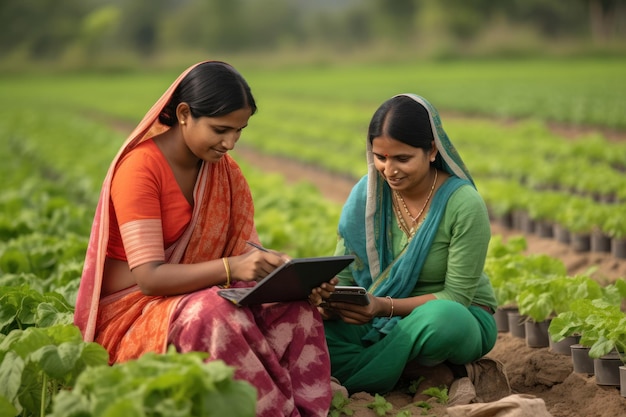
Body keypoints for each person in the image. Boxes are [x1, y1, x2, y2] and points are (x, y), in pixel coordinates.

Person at [74, 61, 333, 417]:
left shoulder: (223, 171)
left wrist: (286, 270)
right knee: (215, 314)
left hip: (200, 293)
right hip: (133, 313)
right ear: (183, 114)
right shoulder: (140, 169)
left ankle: (299, 408)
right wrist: (234, 267)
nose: (230, 142)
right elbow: (150, 278)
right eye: (220, 129)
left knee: (294, 308)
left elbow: (242, 248)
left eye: (239, 131)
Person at [315, 94, 511, 404]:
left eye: (402, 158)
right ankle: (427, 372)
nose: (389, 169)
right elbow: (349, 278)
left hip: (451, 317)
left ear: (432, 150)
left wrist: (382, 306)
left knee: (444, 319)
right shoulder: (366, 197)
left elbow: (457, 297)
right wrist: (329, 304)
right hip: (374, 318)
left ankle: (357, 374)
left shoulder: (463, 204)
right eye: (380, 157)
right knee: (307, 327)